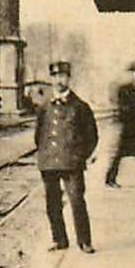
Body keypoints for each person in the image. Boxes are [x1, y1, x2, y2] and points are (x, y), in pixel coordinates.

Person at [35, 60, 99, 253]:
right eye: (54, 76)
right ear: (51, 79)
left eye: (62, 76)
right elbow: (39, 135)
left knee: (77, 200)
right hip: (49, 162)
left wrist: (80, 156)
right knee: (52, 203)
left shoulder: (80, 107)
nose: (58, 80)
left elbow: (92, 136)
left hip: (72, 163)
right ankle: (59, 239)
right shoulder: (44, 106)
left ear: (69, 78)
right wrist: (45, 154)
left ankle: (84, 241)